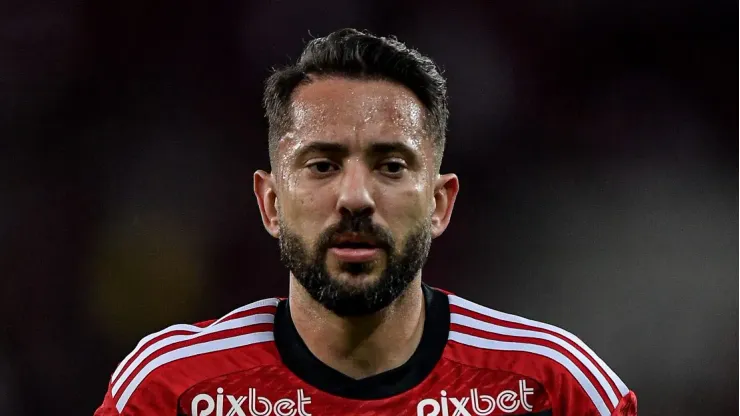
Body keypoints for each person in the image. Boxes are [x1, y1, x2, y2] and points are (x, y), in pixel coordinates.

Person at [94, 28, 637, 416]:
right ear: (271, 203)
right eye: (323, 165)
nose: (355, 197)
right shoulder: (171, 391)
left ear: (440, 203)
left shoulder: (554, 386)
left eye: (391, 166)